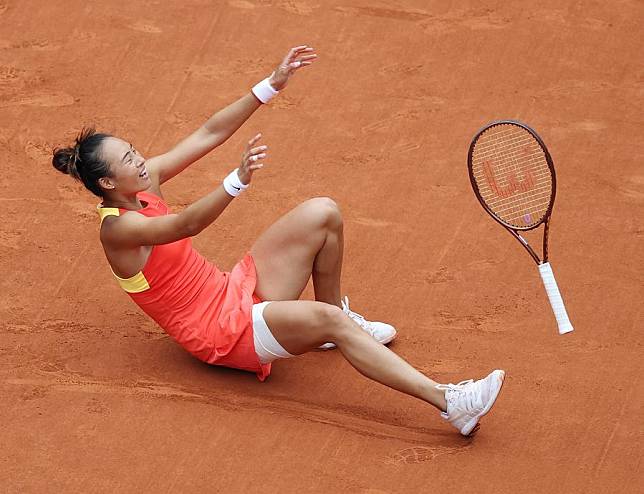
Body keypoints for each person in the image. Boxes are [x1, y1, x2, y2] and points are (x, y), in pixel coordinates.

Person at [52, 45, 505, 436]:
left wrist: (270, 84)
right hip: (221, 333)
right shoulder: (119, 230)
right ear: (109, 183)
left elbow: (208, 132)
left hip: (232, 292)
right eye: (129, 159)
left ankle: (334, 325)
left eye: (133, 149)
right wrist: (236, 180)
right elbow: (187, 224)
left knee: (322, 213)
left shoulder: (144, 184)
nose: (140, 159)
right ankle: (451, 403)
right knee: (327, 320)